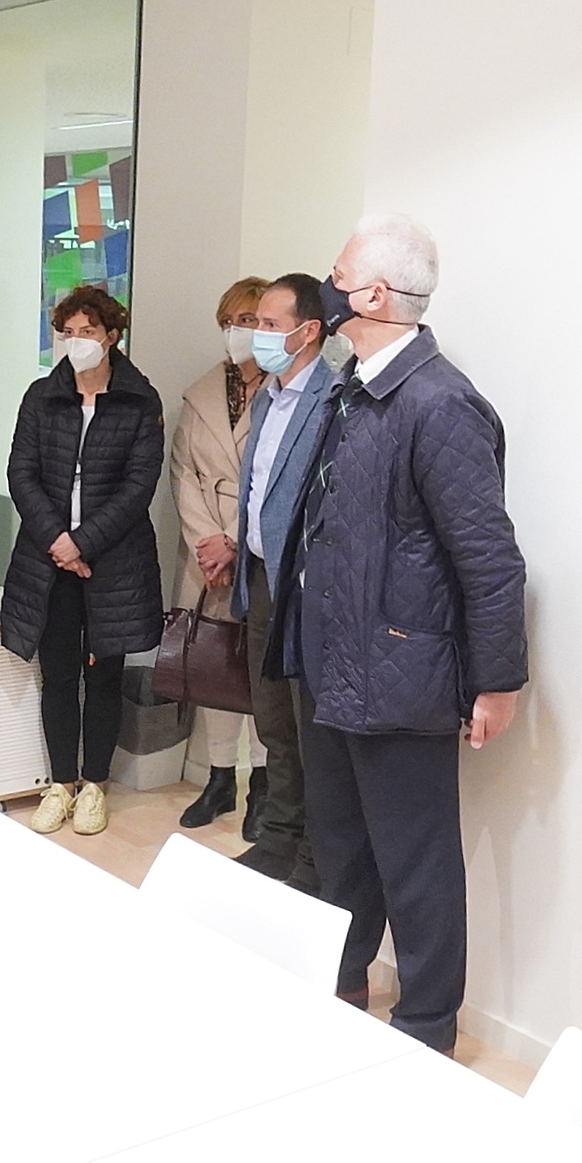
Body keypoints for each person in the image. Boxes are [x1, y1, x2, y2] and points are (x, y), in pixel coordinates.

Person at [272, 214, 527, 1053]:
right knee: (340, 846)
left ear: (374, 295)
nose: (328, 285)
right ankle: (341, 984)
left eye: (339, 274)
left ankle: (425, 1027)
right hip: (331, 662)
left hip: (401, 671)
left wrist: (497, 681)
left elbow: (488, 558)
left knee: (416, 862)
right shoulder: (353, 386)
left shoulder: (441, 404)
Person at [1, 286, 164, 838]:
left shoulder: (140, 400)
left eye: (87, 332)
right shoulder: (41, 396)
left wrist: (83, 543)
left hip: (113, 563)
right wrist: (58, 541)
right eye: (67, 333)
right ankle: (61, 784)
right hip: (48, 560)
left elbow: (138, 486)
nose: (76, 343)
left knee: (104, 676)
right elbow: (21, 473)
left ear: (111, 336)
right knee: (58, 674)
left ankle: (95, 784)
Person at [228, 272, 339, 893]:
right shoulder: (267, 398)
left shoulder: (332, 398)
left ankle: (314, 860)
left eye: (270, 325)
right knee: (271, 721)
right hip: (260, 577)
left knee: (307, 728)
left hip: (303, 588)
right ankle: (278, 839)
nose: (258, 335)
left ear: (309, 331)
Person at [169, 276, 270, 833]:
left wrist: (233, 540)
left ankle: (263, 784)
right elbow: (182, 472)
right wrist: (207, 541)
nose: (238, 332)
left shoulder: (290, 391)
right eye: (230, 322)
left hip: (257, 550)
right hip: (207, 553)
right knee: (213, 662)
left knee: (260, 670)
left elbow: (279, 479)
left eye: (250, 321)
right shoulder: (202, 393)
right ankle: (219, 778)